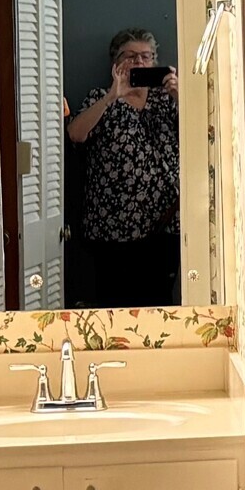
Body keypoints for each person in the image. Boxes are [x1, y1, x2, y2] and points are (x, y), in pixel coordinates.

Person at [64, 27, 182, 307]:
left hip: (164, 229)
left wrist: (178, 95)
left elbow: (203, 136)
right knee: (115, 305)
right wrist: (111, 96)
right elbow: (76, 134)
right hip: (113, 231)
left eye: (146, 56)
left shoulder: (167, 101)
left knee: (160, 305)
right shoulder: (101, 98)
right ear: (115, 64)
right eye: (130, 57)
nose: (139, 63)